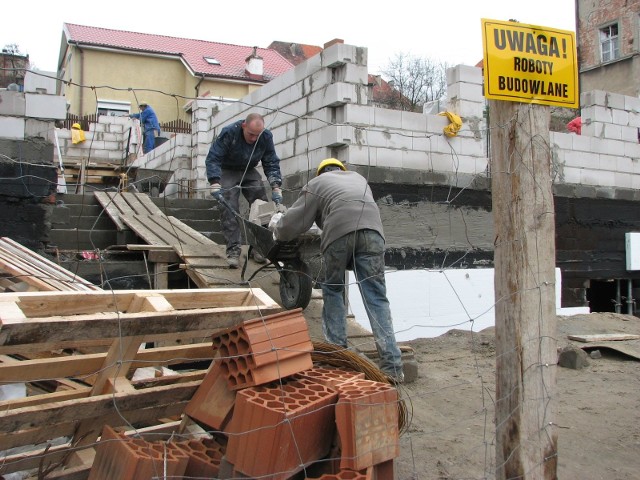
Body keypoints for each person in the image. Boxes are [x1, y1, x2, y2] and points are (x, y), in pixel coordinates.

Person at [270, 158, 404, 382]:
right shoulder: (359, 179)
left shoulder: (317, 183)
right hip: (373, 234)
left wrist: (278, 233)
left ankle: (338, 357)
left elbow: (297, 218)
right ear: (342, 170)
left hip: (339, 234)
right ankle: (392, 366)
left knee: (333, 291)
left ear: (320, 173)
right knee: (376, 297)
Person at [205, 113, 283, 268]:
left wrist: (276, 186)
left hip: (249, 171)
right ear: (244, 126)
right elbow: (213, 157)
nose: (254, 139)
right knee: (229, 207)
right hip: (227, 170)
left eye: (257, 135)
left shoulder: (266, 137)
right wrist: (214, 181)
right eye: (251, 134)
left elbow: (271, 161)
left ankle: (260, 249)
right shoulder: (229, 132)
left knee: (263, 208)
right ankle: (233, 250)